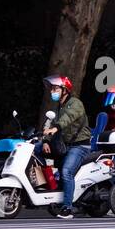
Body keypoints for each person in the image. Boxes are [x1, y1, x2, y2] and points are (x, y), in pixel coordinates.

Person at [40, 74, 92, 219]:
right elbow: (50, 125)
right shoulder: (59, 107)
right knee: (36, 150)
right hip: (64, 145)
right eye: (51, 89)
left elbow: (67, 118)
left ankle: (68, 208)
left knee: (67, 171)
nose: (52, 91)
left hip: (79, 146)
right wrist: (45, 141)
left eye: (55, 88)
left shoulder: (75, 104)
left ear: (65, 90)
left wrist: (55, 128)